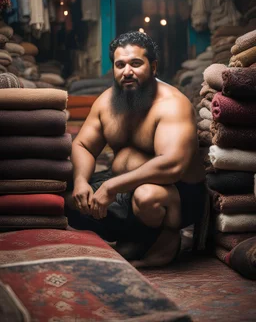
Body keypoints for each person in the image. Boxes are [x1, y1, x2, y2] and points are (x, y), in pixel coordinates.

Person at [65, 31, 206, 268]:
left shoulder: (172, 104)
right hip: (122, 188)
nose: (126, 71)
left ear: (153, 66)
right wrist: (80, 181)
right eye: (120, 65)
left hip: (177, 194)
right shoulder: (106, 101)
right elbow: (83, 145)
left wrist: (111, 186)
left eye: (136, 63)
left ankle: (166, 241)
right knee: (67, 196)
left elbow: (172, 165)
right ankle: (135, 238)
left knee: (146, 196)